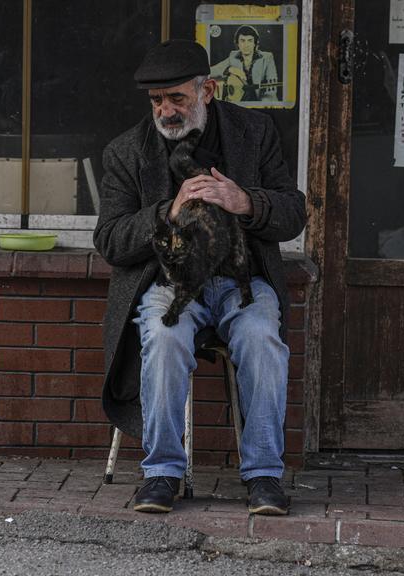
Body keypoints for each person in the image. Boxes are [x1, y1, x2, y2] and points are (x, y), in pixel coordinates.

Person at [93, 40, 306, 516]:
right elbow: (109, 240)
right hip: (168, 285)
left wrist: (244, 200)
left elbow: (294, 213)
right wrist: (165, 212)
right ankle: (162, 474)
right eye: (156, 101)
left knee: (261, 337)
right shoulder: (126, 152)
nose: (166, 111)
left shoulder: (254, 132)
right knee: (164, 337)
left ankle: (265, 476)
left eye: (177, 99)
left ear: (207, 90)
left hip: (241, 280)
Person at [209, 25, 280, 102]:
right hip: (238, 104)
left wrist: (260, 107)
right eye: (242, 41)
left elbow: (271, 92)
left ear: (255, 43)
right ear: (237, 43)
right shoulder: (233, 56)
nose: (246, 45)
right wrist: (229, 69)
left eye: (250, 40)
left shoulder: (267, 58)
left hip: (260, 104)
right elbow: (211, 71)